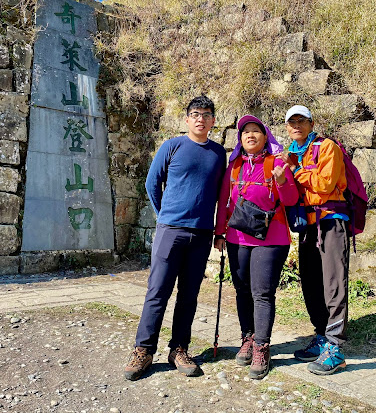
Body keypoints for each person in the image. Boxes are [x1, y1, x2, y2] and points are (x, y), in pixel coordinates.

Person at [124, 96, 226, 381]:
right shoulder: (173, 146)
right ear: (187, 118)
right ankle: (143, 350)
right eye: (195, 114)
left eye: (207, 114)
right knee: (157, 291)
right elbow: (151, 182)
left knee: (189, 295)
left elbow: (222, 195)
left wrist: (219, 230)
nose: (201, 119)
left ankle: (178, 349)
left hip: (202, 234)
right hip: (171, 230)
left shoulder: (219, 153)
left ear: (213, 120)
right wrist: (164, 215)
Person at [214, 115, 298, 379]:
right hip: (237, 238)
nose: (250, 135)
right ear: (240, 140)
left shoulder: (277, 164)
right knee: (241, 290)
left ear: (265, 137)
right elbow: (224, 201)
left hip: (271, 239)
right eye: (245, 132)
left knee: (262, 293)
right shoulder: (235, 166)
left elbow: (292, 199)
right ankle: (247, 338)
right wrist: (219, 233)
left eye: (255, 131)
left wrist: (282, 181)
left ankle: (262, 347)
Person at [278, 105, 349, 375]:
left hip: (330, 219)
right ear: (286, 127)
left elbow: (325, 184)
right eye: (291, 122)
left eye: (302, 120)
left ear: (311, 123)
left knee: (334, 282)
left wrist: (296, 171)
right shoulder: (292, 153)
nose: (296, 125)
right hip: (307, 224)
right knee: (310, 282)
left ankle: (335, 347)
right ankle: (321, 336)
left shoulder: (327, 147)